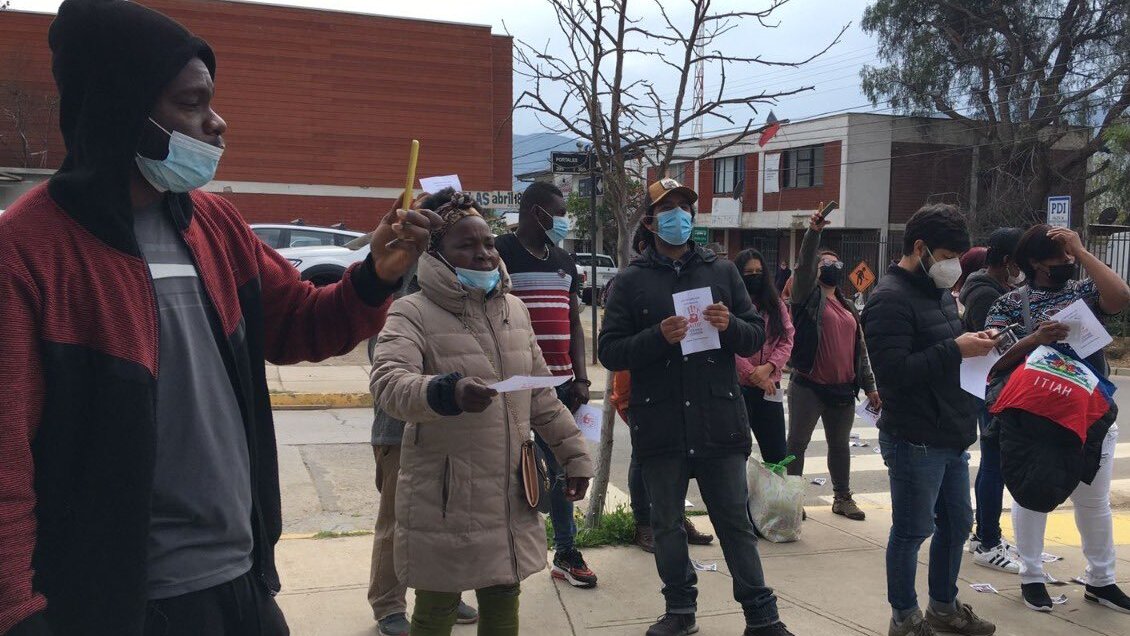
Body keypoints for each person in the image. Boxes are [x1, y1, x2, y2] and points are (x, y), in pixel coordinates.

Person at [0, 2, 439, 635]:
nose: (217, 121)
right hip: (116, 603)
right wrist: (16, 612)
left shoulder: (216, 225)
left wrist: (375, 275)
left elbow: (299, 325)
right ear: (124, 110)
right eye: (191, 103)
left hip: (242, 580)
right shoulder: (29, 251)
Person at [370, 192, 594, 636]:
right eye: (466, 245)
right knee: (436, 604)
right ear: (435, 252)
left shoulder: (514, 310)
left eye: (489, 243)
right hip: (445, 492)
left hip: (510, 487)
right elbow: (388, 384)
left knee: (503, 597)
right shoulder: (412, 310)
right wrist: (443, 392)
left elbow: (541, 397)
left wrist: (575, 457)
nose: (484, 253)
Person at [599, 178, 792, 636]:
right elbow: (610, 351)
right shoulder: (629, 281)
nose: (679, 215)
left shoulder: (721, 272)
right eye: (668, 208)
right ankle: (680, 611)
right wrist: (656, 338)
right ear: (650, 220)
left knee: (734, 523)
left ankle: (761, 616)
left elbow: (754, 335)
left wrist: (729, 327)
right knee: (667, 526)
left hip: (718, 420)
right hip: (660, 422)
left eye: (685, 206)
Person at [862, 204, 998, 636]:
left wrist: (975, 344)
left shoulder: (935, 291)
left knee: (957, 524)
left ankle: (943, 605)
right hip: (915, 437)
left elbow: (944, 351)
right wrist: (956, 349)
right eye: (947, 256)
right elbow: (894, 375)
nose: (953, 267)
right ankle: (905, 617)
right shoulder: (887, 299)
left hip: (950, 431)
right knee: (911, 531)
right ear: (919, 248)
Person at [984, 224, 1130, 613]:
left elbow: (1120, 296)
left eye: (1069, 256)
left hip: (1089, 411)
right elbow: (992, 359)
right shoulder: (1010, 303)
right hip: (1037, 418)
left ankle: (1102, 580)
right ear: (1033, 262)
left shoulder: (1081, 291)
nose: (1066, 263)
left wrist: (1081, 252)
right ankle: (1031, 575)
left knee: (1094, 500)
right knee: (1032, 494)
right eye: (1059, 257)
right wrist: (1035, 339)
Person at [366, 190, 477, 636]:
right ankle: (389, 604)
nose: (476, 249)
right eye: (462, 239)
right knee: (398, 519)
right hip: (401, 428)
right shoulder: (403, 288)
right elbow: (383, 358)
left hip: (455, 428)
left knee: (449, 517)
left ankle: (444, 590)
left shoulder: (468, 289)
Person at [493, 181, 598, 588]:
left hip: (563, 387)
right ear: (536, 212)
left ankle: (566, 552)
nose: (562, 218)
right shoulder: (500, 252)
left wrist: (582, 377)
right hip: (516, 386)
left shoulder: (564, 260)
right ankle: (508, 557)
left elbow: (572, 321)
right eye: (557, 210)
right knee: (516, 474)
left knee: (560, 471)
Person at [606, 229, 714, 554]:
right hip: (637, 384)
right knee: (643, 455)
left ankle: (677, 517)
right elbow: (614, 345)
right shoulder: (627, 283)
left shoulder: (684, 279)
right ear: (645, 247)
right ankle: (644, 524)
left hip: (678, 384)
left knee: (676, 455)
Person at [786, 210, 880, 522]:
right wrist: (814, 234)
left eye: (836, 263)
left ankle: (843, 497)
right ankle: (791, 499)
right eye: (825, 263)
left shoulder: (848, 305)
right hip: (809, 387)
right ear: (815, 269)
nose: (832, 267)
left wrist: (871, 387)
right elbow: (802, 267)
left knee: (839, 446)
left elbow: (861, 348)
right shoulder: (805, 298)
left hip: (842, 389)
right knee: (796, 445)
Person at [957, 228, 1024, 574]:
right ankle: (987, 539)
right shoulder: (986, 295)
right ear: (1008, 260)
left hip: (993, 386)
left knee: (992, 463)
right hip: (992, 388)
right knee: (994, 463)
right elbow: (993, 347)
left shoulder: (994, 288)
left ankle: (986, 533)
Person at [734, 249, 794, 465]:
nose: (754, 275)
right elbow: (727, 345)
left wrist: (768, 368)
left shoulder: (776, 305)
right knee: (738, 453)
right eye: (748, 272)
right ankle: (742, 499)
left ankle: (775, 498)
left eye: (759, 271)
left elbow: (787, 339)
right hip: (738, 388)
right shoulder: (730, 305)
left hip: (770, 386)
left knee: (777, 453)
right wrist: (752, 374)